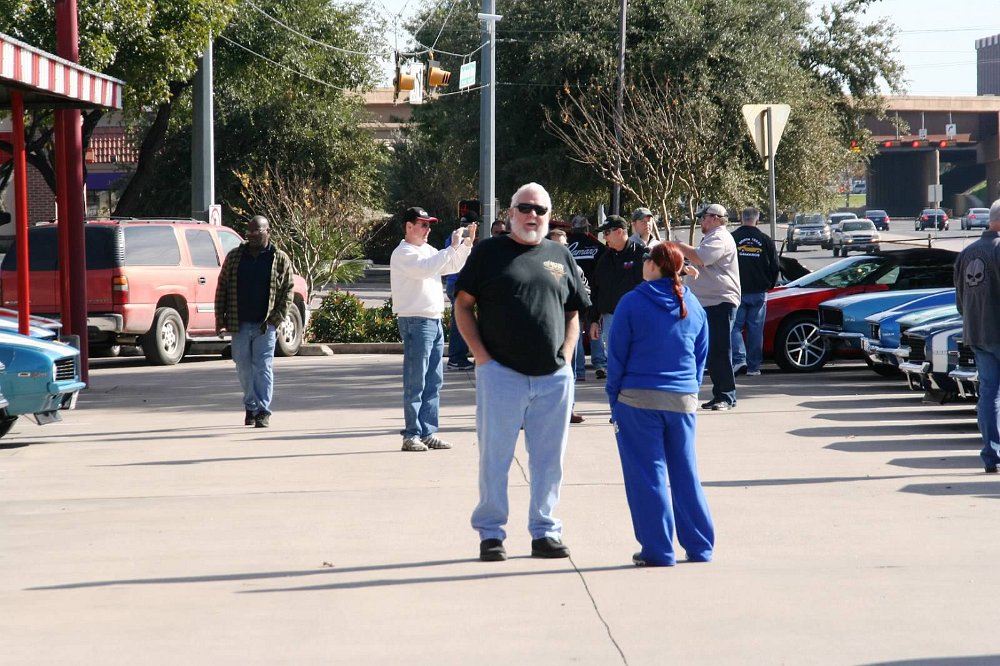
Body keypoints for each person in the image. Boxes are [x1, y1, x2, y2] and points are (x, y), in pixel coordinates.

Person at [453, 182, 590, 562]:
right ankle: (491, 534)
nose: (533, 215)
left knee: (549, 461)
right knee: (494, 458)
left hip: (553, 378)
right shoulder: (488, 253)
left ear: (549, 215)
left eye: (540, 210)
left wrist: (567, 354)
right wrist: (482, 357)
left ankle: (545, 532)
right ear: (511, 213)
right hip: (502, 375)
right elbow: (462, 305)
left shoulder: (560, 255)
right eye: (525, 208)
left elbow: (574, 311)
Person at [606, 241, 714, 566]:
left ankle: (658, 550)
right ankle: (700, 546)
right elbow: (700, 356)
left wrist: (614, 400)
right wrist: (690, 391)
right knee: (685, 472)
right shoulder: (692, 304)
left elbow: (617, 357)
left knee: (647, 475)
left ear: (653, 266)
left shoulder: (632, 302)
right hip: (682, 399)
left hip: (637, 399)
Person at [390, 206, 475, 452]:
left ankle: (427, 432)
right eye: (423, 224)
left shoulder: (427, 250)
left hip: (433, 320)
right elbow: (426, 268)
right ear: (409, 226)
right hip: (416, 321)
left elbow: (450, 266)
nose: (428, 229)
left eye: (429, 225)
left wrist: (465, 246)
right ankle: (411, 434)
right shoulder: (403, 253)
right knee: (416, 380)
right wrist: (451, 247)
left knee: (434, 380)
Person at [215, 214, 295, 429]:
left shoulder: (279, 258)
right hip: (239, 322)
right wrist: (219, 319)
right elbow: (222, 288)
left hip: (265, 324)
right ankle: (250, 405)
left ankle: (263, 411)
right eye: (249, 232)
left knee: (263, 366)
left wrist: (276, 319)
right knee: (242, 366)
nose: (251, 236)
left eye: (256, 232)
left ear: (268, 231)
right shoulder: (234, 257)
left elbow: (288, 291)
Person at [675, 203, 741, 411]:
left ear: (714, 218)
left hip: (720, 302)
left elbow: (702, 258)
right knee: (712, 352)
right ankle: (719, 393)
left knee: (720, 350)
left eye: (703, 218)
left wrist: (678, 245)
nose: (701, 222)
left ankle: (726, 396)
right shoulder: (711, 238)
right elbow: (699, 262)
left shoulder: (720, 237)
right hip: (710, 303)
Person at [954, 198, 1000, 474]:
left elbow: (960, 301)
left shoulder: (967, 253)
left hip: (977, 333)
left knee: (989, 394)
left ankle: (991, 455)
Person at [588, 215, 645, 380]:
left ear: (619, 232)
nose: (604, 237)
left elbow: (658, 278)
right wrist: (594, 320)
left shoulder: (641, 254)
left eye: (606, 233)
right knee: (616, 361)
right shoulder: (604, 259)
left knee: (637, 358)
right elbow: (595, 289)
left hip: (638, 317)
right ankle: (619, 390)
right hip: (611, 318)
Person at [730, 206, 779, 377]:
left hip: (737, 290)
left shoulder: (732, 238)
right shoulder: (765, 240)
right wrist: (770, 285)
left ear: (741, 218)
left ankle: (739, 359)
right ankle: (754, 367)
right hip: (759, 291)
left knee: (734, 327)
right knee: (755, 330)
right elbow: (775, 266)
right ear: (757, 220)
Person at [547, 228, 589, 424]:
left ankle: (568, 409)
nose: (561, 249)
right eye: (557, 244)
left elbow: (585, 290)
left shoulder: (574, 268)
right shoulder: (536, 265)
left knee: (568, 369)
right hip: (544, 327)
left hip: (568, 324)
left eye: (564, 245)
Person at [567, 215, 606, 380]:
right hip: (593, 294)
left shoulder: (566, 247)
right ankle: (600, 364)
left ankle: (579, 371)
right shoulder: (597, 246)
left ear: (572, 229)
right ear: (587, 229)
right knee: (595, 328)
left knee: (575, 331)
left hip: (573, 295)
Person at [444, 211, 478, 371]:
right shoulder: (464, 239)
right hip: (459, 284)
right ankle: (457, 358)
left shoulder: (452, 236)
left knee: (458, 320)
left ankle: (457, 357)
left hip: (452, 283)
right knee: (460, 322)